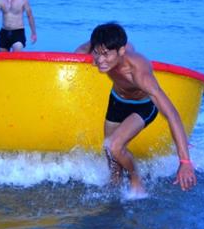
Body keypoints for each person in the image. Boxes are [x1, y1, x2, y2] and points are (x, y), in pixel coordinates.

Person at [75, 22, 196, 194]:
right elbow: (81, 50)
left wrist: (185, 162)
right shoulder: (106, 49)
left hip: (142, 106)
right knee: (110, 154)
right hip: (117, 100)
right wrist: (92, 55)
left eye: (106, 55)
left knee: (114, 145)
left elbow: (172, 114)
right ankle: (115, 184)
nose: (100, 60)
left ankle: (135, 179)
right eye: (97, 53)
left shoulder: (139, 73)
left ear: (121, 51)